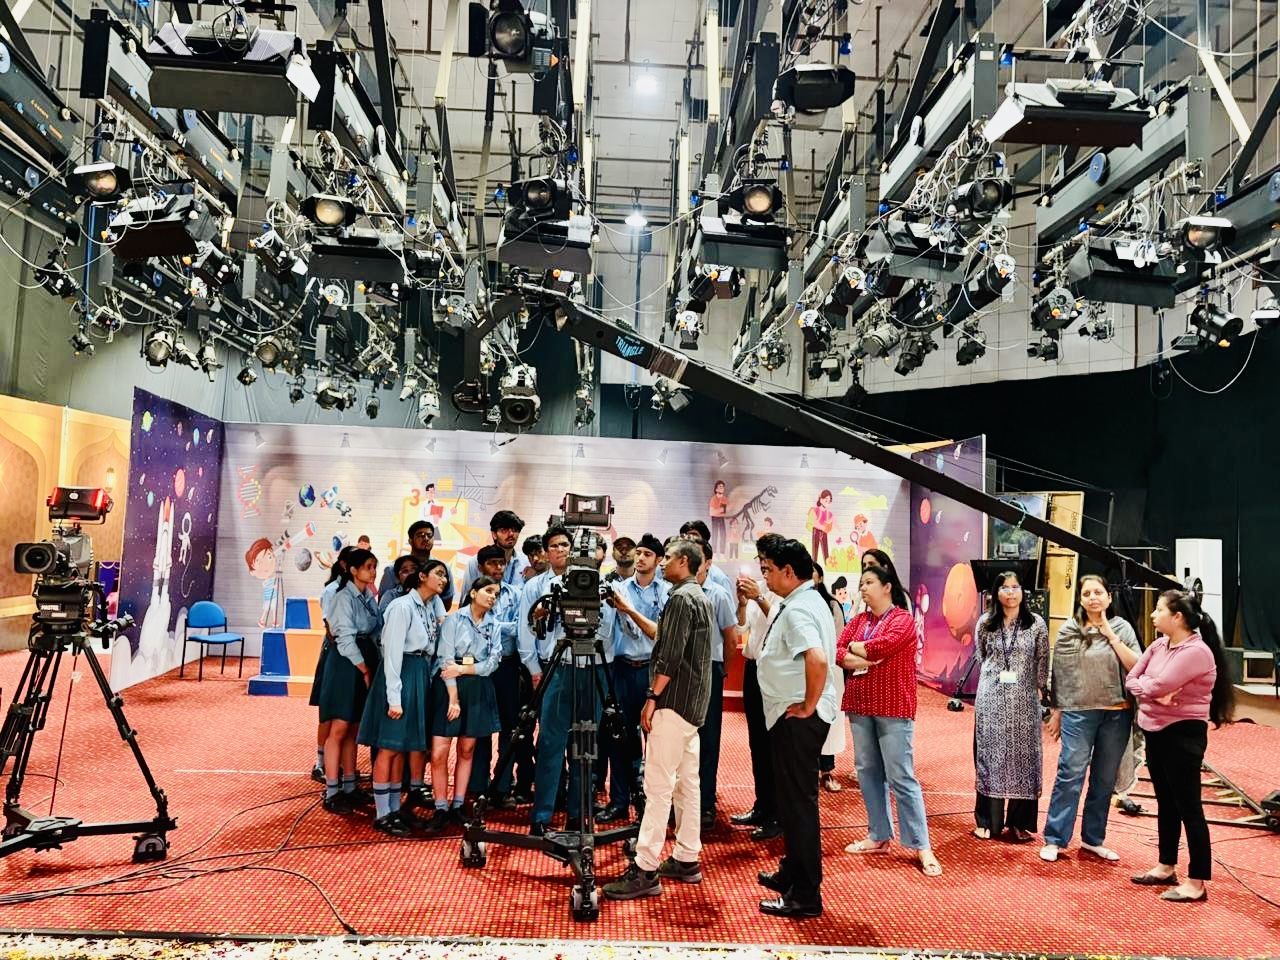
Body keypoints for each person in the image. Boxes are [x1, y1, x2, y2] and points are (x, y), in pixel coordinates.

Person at [603, 538, 714, 900]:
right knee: (687, 784)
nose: (663, 563)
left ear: (684, 562)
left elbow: (669, 654)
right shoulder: (698, 596)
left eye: (668, 557)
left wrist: (652, 697)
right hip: (692, 704)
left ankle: (646, 867)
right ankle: (686, 857)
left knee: (658, 786)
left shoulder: (681, 598)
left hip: (673, 702)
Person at [1126, 589, 1233, 903]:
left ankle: (1197, 881)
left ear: (1177, 617)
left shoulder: (1196, 652)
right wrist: (1154, 693)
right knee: (1166, 802)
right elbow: (1132, 678)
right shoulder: (1159, 644)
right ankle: (1166, 865)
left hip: (1182, 733)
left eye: (1159, 609)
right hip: (1155, 730)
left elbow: (1159, 684)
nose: (1152, 614)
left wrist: (1153, 689)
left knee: (1189, 807)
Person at [755, 537, 841, 918]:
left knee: (799, 805)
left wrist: (808, 704)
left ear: (788, 571)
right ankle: (792, 872)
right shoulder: (806, 600)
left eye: (769, 570)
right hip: (793, 715)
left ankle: (806, 894)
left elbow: (817, 659)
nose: (766, 577)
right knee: (792, 803)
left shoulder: (799, 609)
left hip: (798, 719)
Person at [841, 565, 942, 877]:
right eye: (862, 583)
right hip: (859, 703)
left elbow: (882, 647)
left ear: (887, 587)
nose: (863, 588)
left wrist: (858, 650)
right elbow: (839, 651)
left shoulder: (902, 619)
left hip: (893, 706)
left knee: (901, 775)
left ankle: (921, 844)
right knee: (867, 771)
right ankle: (879, 835)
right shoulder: (859, 620)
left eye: (869, 582)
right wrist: (860, 654)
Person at [1041, 574, 1142, 863]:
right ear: (1080, 599)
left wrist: (1110, 634)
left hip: (1116, 713)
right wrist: (1057, 712)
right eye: (1087, 594)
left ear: (1109, 597)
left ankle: (1093, 839)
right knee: (1070, 773)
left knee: (1104, 779)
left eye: (1098, 592)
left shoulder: (1122, 628)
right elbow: (1060, 674)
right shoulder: (1069, 630)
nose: (1093, 598)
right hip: (1078, 713)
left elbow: (1137, 665)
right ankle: (1054, 838)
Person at [519, 525, 608, 835]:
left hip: (593, 668)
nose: (563, 551)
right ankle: (541, 816)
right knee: (550, 743)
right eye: (555, 546)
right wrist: (541, 617)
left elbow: (608, 632)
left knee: (586, 745)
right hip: (559, 667)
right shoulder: (548, 587)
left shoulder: (604, 587)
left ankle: (579, 815)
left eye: (567, 545)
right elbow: (529, 629)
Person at [358, 559, 448, 835]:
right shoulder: (402, 607)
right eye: (439, 574)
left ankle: (395, 809)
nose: (444, 580)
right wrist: (394, 698)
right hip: (401, 674)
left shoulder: (427, 607)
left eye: (445, 576)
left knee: (402, 746)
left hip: (418, 673)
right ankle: (382, 814)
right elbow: (392, 654)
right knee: (389, 746)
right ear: (422, 577)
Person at [972, 571, 1049, 841]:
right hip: (991, 699)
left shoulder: (1036, 624)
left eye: (1016, 587)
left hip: (1024, 700)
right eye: (1005, 588)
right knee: (990, 757)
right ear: (996, 593)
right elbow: (982, 656)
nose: (1011, 592)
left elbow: (1043, 659)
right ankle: (987, 820)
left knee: (1024, 759)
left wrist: (1042, 690)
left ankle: (1019, 822)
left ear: (1023, 591)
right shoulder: (985, 623)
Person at [597, 534, 668, 824]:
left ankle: (651, 806)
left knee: (657, 740)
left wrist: (627, 610)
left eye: (647, 554)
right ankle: (619, 801)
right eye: (638, 553)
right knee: (619, 737)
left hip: (653, 671)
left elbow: (659, 633)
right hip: (622, 669)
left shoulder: (667, 592)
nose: (640, 558)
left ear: (659, 560)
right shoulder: (618, 589)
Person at [426, 575, 505, 830]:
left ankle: (458, 804)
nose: (492, 597)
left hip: (477, 687)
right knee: (439, 752)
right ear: (473, 593)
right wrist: (454, 698)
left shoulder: (494, 624)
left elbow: (492, 663)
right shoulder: (454, 620)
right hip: (448, 688)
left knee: (467, 749)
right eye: (488, 591)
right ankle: (440, 807)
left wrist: (464, 669)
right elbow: (445, 660)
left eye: (496, 594)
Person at [317, 548, 381, 813]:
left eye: (375, 566)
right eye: (368, 566)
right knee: (339, 727)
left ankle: (350, 786)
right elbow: (343, 637)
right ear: (353, 570)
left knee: (353, 727)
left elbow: (375, 630)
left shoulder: (367, 596)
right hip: (346, 664)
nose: (373, 571)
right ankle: (332, 791)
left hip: (363, 659)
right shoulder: (342, 597)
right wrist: (363, 668)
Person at [470, 544, 533, 806]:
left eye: (501, 563)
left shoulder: (516, 594)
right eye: (492, 563)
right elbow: (473, 627)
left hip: (507, 667)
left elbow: (521, 628)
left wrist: (493, 625)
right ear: (481, 567)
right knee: (480, 728)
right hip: (480, 669)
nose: (498, 567)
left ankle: (502, 786)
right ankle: (477, 785)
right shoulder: (473, 594)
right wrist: (502, 627)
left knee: (510, 728)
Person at [731, 536, 784, 841]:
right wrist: (742, 603)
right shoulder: (759, 589)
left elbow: (780, 622)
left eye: (766, 559)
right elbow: (742, 628)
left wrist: (759, 597)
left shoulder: (786, 593)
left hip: (774, 673)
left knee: (774, 745)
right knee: (757, 743)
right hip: (753, 668)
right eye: (760, 558)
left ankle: (777, 813)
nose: (762, 564)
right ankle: (762, 805)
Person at [694, 539, 742, 829]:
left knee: (707, 739)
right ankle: (680, 801)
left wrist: (723, 671)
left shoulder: (718, 594)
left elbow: (731, 638)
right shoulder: (673, 590)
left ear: (708, 563)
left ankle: (705, 803)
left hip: (709, 669)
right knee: (680, 741)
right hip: (679, 673)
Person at [311, 546, 359, 782]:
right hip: (337, 654)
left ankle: (341, 765)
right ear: (345, 565)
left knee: (348, 716)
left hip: (353, 655)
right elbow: (332, 631)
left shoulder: (360, 592)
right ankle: (320, 763)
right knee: (329, 713)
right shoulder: (333, 591)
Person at [813, 563, 847, 793]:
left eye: (813, 575)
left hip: (829, 669)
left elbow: (838, 639)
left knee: (828, 720)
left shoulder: (832, 604)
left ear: (821, 578)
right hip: (803, 671)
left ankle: (827, 771)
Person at [379, 521, 454, 610]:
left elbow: (447, 602)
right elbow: (383, 603)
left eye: (429, 535)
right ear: (410, 541)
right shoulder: (393, 569)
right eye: (420, 535)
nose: (426, 538)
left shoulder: (443, 569)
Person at [464, 510, 527, 589]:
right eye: (504, 530)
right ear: (494, 534)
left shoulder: (526, 562)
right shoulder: (477, 561)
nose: (511, 534)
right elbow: (467, 594)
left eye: (515, 529)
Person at [806, 490, 834, 563]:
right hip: (816, 532)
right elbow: (814, 523)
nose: (827, 502)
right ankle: (814, 565)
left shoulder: (829, 514)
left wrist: (827, 525)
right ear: (821, 499)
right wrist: (823, 526)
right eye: (826, 500)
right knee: (815, 551)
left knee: (825, 550)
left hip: (824, 533)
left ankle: (827, 565)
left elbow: (829, 527)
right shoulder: (815, 510)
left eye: (829, 501)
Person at [708, 480, 729, 555]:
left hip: (721, 518)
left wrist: (717, 510)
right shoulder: (713, 499)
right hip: (714, 518)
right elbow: (711, 512)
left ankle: (722, 553)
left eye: (723, 487)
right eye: (720, 487)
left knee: (723, 535)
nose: (722, 488)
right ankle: (714, 552)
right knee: (715, 535)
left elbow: (724, 511)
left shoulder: (725, 499)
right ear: (716, 489)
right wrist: (719, 510)